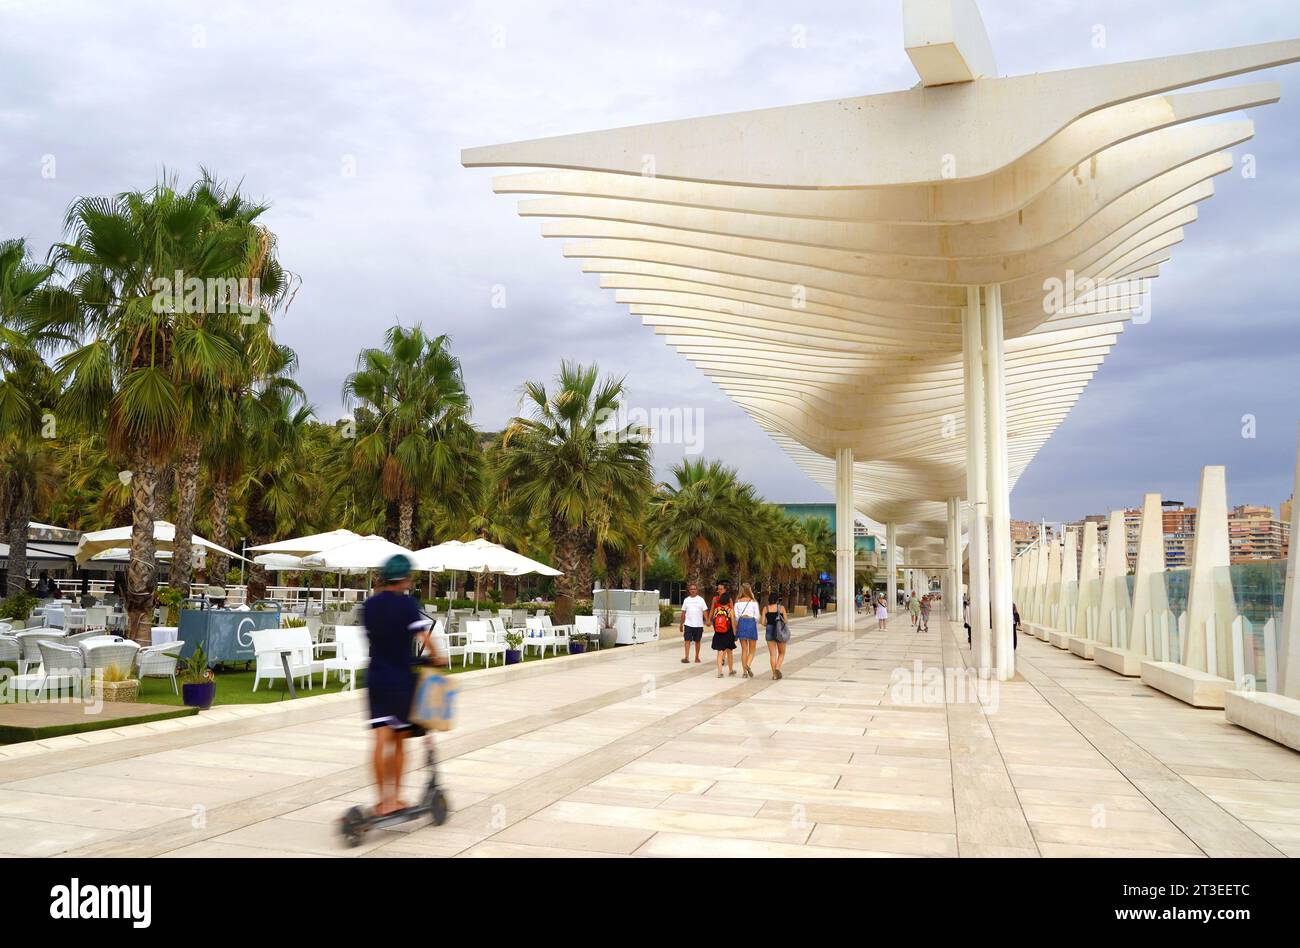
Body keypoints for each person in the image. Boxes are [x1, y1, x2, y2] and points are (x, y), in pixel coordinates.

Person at [362, 553, 441, 817]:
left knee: (379, 740)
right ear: (405, 579)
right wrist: (439, 658)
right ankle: (394, 799)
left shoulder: (370, 606)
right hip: (400, 679)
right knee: (398, 741)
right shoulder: (407, 605)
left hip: (375, 678)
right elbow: (424, 638)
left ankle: (380, 801)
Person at [734, 583, 760, 678]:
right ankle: (748, 665)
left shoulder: (737, 602)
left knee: (744, 649)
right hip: (751, 623)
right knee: (752, 650)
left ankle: (744, 672)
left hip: (741, 623)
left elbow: (736, 617)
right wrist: (754, 623)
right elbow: (757, 617)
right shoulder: (753, 602)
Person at [710, 591, 737, 678]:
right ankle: (731, 670)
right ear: (728, 601)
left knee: (720, 652)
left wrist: (716, 630)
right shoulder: (730, 610)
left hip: (718, 633)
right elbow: (733, 623)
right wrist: (735, 634)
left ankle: (719, 672)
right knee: (729, 652)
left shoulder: (716, 610)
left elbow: (714, 621)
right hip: (728, 633)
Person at [680, 583, 707, 665]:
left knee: (697, 641)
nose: (693, 590)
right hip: (688, 624)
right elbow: (683, 613)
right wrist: (681, 624)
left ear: (697, 590)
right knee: (687, 640)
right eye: (691, 589)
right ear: (689, 591)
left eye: (694, 589)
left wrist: (708, 620)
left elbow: (705, 611)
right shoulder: (686, 600)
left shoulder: (701, 600)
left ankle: (697, 657)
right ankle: (686, 657)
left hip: (698, 625)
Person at [764, 592, 789, 680]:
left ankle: (774, 675)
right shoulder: (781, 608)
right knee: (782, 653)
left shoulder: (765, 608)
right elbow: (785, 621)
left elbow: (763, 622)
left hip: (769, 630)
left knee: (772, 654)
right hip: (779, 631)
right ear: (777, 599)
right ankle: (778, 668)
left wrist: (769, 623)